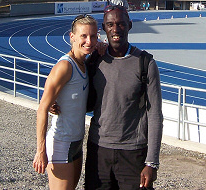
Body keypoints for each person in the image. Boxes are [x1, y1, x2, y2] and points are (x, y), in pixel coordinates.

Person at [84, 5, 163, 190]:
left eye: (120, 24)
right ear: (103, 28)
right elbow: (76, 91)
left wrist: (151, 162)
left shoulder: (146, 64)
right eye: (110, 24)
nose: (115, 29)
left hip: (133, 153)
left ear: (129, 25)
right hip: (98, 151)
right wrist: (56, 103)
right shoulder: (95, 60)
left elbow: (155, 115)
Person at [32, 15, 98, 190]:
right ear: (72, 37)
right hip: (61, 142)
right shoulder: (65, 66)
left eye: (93, 36)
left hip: (77, 143)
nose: (89, 41)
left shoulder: (85, 62)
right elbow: (42, 109)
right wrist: (40, 151)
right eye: (83, 36)